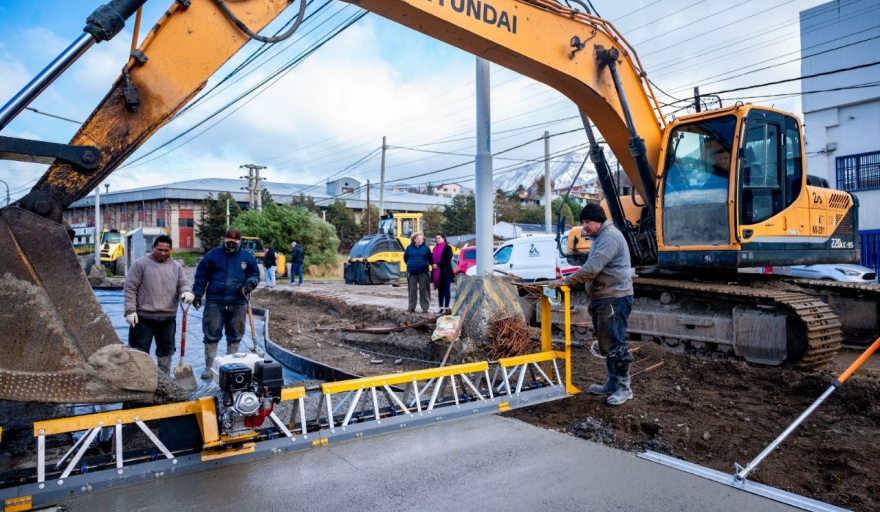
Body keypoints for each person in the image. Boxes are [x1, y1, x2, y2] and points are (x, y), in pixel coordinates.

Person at [547, 203, 634, 406]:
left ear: (598, 221)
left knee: (615, 343)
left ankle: (624, 388)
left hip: (615, 297)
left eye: (587, 222)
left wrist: (565, 281)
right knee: (607, 343)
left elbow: (591, 268)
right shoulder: (600, 238)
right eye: (582, 222)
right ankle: (612, 383)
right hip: (605, 297)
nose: (584, 226)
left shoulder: (609, 238)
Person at [191, 228, 260, 380]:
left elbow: (254, 274)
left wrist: (249, 284)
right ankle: (209, 368)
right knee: (211, 333)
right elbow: (201, 275)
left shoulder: (247, 257)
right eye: (228, 242)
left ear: (239, 242)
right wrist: (197, 293)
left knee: (235, 334)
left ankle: (230, 367)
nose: (231, 245)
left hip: (237, 301)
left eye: (234, 243)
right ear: (224, 240)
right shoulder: (213, 256)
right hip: (215, 301)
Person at [123, 234, 194, 376]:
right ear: (153, 247)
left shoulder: (177, 267)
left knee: (166, 351)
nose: (162, 253)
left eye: (166, 251)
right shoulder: (140, 264)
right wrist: (130, 310)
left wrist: (186, 292)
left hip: (167, 318)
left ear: (171, 250)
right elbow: (130, 288)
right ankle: (140, 379)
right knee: (139, 351)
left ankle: (164, 380)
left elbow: (184, 283)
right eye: (159, 249)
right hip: (143, 317)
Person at [403, 232, 432, 313]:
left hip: (423, 271)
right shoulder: (409, 248)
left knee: (424, 289)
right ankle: (411, 307)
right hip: (412, 271)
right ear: (414, 239)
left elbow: (430, 259)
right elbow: (405, 258)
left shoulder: (426, 248)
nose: (420, 240)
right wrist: (410, 264)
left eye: (421, 239)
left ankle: (425, 307)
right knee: (412, 289)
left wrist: (427, 265)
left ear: (423, 240)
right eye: (418, 239)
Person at [431, 232, 454, 314]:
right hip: (437, 272)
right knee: (440, 291)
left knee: (446, 290)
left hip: (445, 272)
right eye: (436, 238)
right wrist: (433, 264)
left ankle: (446, 307)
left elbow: (448, 259)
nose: (437, 240)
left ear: (443, 239)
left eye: (439, 238)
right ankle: (440, 307)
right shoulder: (434, 248)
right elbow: (432, 258)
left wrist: (438, 264)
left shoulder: (448, 248)